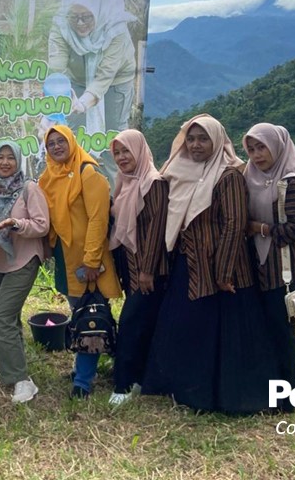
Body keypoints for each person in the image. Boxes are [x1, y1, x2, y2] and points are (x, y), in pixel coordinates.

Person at [142, 114, 276, 414]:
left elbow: (234, 224)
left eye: (203, 139)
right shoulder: (179, 172)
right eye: (191, 139)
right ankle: (188, 390)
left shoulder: (228, 176)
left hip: (223, 271)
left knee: (224, 334)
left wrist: (224, 271)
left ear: (216, 141)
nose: (196, 145)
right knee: (188, 327)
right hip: (189, 264)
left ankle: (222, 396)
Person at [38, 125, 121, 398]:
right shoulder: (49, 177)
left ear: (72, 142)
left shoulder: (88, 172)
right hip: (65, 258)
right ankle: (86, 367)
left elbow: (98, 219)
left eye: (61, 141)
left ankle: (84, 380)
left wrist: (92, 261)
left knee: (90, 315)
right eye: (51, 143)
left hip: (88, 260)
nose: (57, 147)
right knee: (79, 312)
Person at [243, 123, 295, 410]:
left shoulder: (291, 182)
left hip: (282, 269)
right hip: (257, 266)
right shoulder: (249, 177)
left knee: (282, 331)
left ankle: (287, 399)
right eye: (251, 149)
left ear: (277, 147)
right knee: (263, 330)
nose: (257, 155)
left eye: (262, 147)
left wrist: (261, 228)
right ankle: (267, 393)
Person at [107, 129, 169, 406]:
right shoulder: (124, 183)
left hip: (149, 270)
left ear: (140, 151)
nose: (121, 158)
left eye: (126, 152)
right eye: (117, 153)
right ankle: (142, 379)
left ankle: (123, 384)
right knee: (142, 324)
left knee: (131, 323)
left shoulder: (153, 183)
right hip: (130, 268)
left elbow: (156, 230)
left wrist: (147, 270)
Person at [0, 140, 50, 404]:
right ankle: (9, 366)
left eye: (10, 157)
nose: (4, 162)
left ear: (18, 161)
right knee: (9, 319)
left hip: (24, 260)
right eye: (0, 157)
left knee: (0, 319)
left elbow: (42, 225)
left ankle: (22, 381)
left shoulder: (28, 188)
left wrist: (16, 224)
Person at [47, 0, 137, 137]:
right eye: (74, 17)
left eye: (87, 16)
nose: (80, 23)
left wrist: (83, 103)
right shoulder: (62, 22)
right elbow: (56, 66)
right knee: (74, 128)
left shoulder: (116, 27)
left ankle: (110, 156)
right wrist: (53, 98)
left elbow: (105, 75)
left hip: (116, 80)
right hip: (77, 78)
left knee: (114, 132)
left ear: (98, 9)